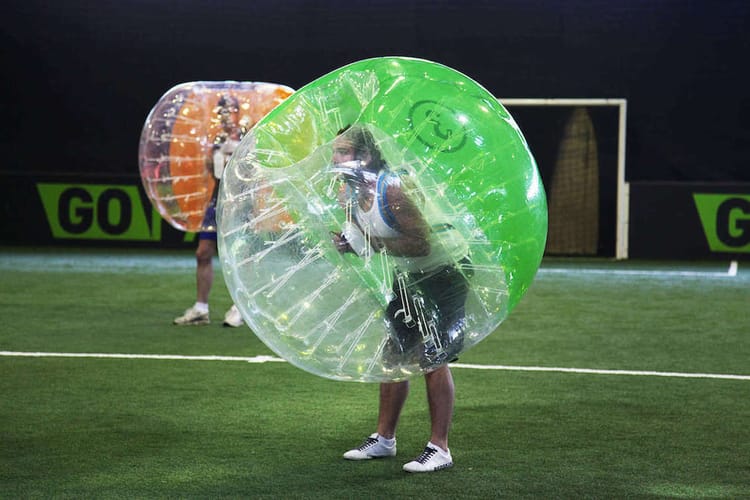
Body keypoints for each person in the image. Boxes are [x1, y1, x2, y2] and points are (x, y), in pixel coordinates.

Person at [331, 125, 471, 473]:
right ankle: (384, 440)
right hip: (411, 271)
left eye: (343, 152)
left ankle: (440, 448)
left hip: (446, 268)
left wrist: (371, 244)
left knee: (432, 355)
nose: (334, 158)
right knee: (394, 349)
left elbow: (420, 243)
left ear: (364, 157)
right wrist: (351, 244)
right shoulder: (349, 192)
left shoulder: (392, 189)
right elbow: (369, 238)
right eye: (335, 151)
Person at [174, 95, 244, 327]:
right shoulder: (216, 139)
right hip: (217, 201)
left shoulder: (247, 137)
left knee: (237, 257)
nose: (224, 115)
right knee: (203, 252)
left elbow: (251, 172)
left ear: (237, 112)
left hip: (240, 201)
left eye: (228, 110)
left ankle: (239, 308)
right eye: (220, 111)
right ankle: (201, 308)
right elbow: (211, 170)